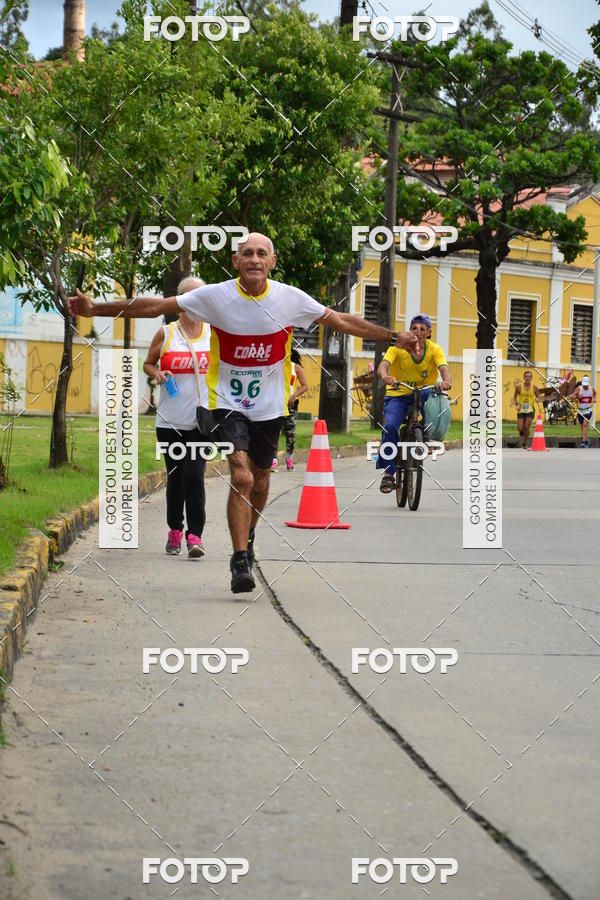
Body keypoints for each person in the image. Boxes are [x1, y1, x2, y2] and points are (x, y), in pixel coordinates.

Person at [68, 232, 418, 593]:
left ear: (272, 261)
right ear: (236, 261)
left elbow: (341, 321)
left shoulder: (288, 299)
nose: (254, 259)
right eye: (247, 253)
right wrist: (96, 309)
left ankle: (247, 537)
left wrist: (393, 337)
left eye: (261, 253)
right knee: (242, 476)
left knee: (262, 478)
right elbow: (154, 306)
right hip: (225, 403)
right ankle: (239, 561)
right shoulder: (216, 296)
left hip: (269, 407)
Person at [143, 277, 210, 558]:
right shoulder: (166, 333)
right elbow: (148, 363)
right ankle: (174, 529)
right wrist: (157, 373)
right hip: (170, 423)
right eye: (191, 298)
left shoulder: (214, 333)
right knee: (176, 478)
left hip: (201, 422)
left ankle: (194, 535)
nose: (197, 304)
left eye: (202, 297)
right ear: (179, 302)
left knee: (195, 476)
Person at [376, 313, 451, 493]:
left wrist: (446, 381)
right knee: (391, 427)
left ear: (429, 333)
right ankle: (388, 473)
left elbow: (444, 368)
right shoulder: (398, 347)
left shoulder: (434, 349)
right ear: (409, 331)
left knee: (436, 403)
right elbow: (383, 366)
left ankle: (425, 437)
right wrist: (386, 377)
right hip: (398, 393)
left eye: (422, 329)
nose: (417, 332)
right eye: (414, 328)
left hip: (424, 392)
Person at [272, 347, 308, 471]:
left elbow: (305, 386)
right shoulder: (275, 366)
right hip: (276, 403)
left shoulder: (296, 367)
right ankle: (273, 460)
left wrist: (294, 395)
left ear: (291, 353)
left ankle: (289, 457)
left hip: (290, 404)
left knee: (290, 433)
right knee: (274, 432)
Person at [514, 370, 539, 449]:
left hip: (530, 410)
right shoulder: (519, 386)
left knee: (526, 426)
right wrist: (517, 404)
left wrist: (537, 399)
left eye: (529, 376)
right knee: (520, 428)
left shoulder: (535, 387)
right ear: (524, 377)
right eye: (526, 376)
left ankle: (525, 443)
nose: (527, 378)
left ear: (531, 378)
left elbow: (538, 396)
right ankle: (522, 432)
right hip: (521, 409)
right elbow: (514, 397)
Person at [573, 375, 596, 447]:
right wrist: (577, 397)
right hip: (580, 410)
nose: (585, 387)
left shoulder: (591, 389)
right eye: (584, 385)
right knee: (582, 425)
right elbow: (572, 396)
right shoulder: (579, 389)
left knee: (585, 423)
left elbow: (595, 393)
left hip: (588, 410)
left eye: (586, 385)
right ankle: (586, 440)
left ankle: (583, 442)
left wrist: (594, 399)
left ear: (588, 384)